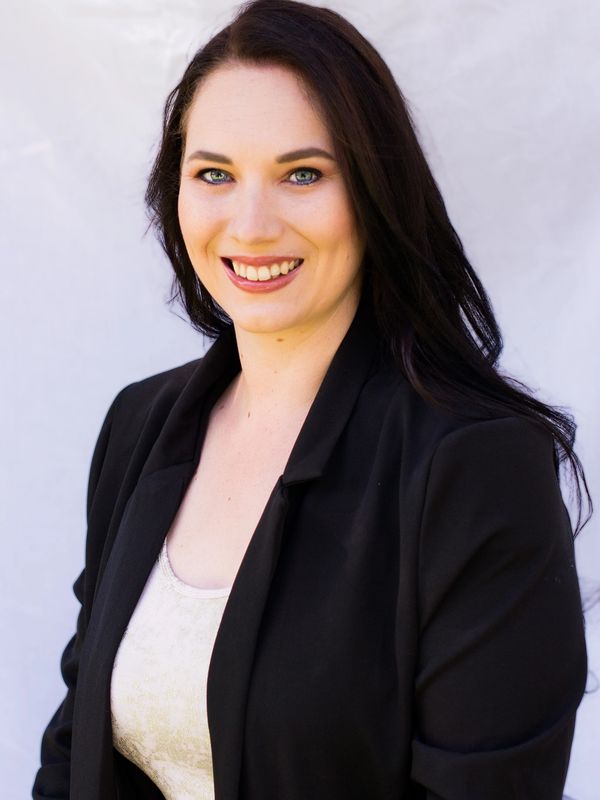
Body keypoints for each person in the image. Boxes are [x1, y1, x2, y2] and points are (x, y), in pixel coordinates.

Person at [32, 1, 591, 798]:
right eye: (214, 174)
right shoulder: (140, 426)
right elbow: (74, 746)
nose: (251, 224)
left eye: (303, 174)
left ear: (373, 194)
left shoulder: (475, 463)